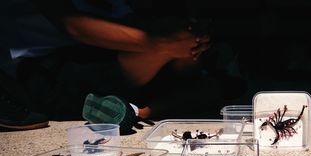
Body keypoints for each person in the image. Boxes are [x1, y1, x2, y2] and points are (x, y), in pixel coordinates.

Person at [0, 0, 216, 133]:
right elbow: (74, 27)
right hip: (47, 67)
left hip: (101, 57)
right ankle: (136, 107)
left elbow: (133, 25)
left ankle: (137, 111)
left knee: (200, 74)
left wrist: (187, 39)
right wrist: (162, 44)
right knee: (167, 48)